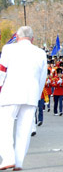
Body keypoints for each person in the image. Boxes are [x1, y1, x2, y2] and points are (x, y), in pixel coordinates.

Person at [0, 26, 48, 170]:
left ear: (17, 36)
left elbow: (2, 71)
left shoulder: (8, 49)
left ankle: (8, 157)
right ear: (32, 39)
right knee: (24, 130)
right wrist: (37, 95)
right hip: (31, 94)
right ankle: (19, 162)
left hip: (10, 92)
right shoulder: (40, 53)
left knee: (4, 128)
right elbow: (42, 78)